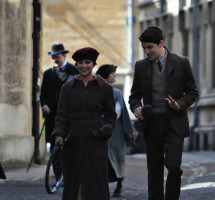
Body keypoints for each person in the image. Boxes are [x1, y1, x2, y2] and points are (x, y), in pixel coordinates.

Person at [129, 26, 198, 200]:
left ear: (161, 44)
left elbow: (192, 92)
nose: (146, 51)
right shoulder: (140, 66)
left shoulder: (181, 63)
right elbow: (134, 96)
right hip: (152, 124)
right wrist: (136, 107)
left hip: (175, 122)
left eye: (149, 47)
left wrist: (179, 104)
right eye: (144, 47)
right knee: (154, 169)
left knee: (173, 165)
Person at [52, 47, 117, 200]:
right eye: (80, 62)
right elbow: (61, 115)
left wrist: (106, 128)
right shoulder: (67, 88)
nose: (83, 66)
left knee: (96, 180)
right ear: (76, 64)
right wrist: (59, 134)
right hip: (72, 139)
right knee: (73, 181)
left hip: (96, 139)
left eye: (87, 62)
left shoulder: (105, 88)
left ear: (93, 64)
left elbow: (110, 115)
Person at [40, 43, 79, 181]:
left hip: (70, 118)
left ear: (64, 55)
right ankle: (58, 177)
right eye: (53, 57)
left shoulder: (75, 72)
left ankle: (69, 175)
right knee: (54, 148)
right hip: (52, 118)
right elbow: (42, 95)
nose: (55, 60)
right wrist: (44, 105)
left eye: (57, 57)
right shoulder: (48, 73)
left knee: (70, 146)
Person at [96, 64, 134, 197]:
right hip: (100, 130)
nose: (114, 76)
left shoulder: (116, 93)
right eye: (112, 74)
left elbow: (119, 111)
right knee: (103, 158)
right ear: (106, 75)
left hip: (116, 131)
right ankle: (102, 185)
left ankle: (119, 185)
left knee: (118, 158)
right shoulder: (96, 91)